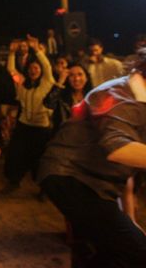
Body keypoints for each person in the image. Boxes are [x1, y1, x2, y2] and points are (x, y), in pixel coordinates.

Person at [38, 49, 146, 266]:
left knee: (109, 249)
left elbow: (126, 169)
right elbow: (118, 148)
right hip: (70, 176)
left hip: (92, 184)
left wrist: (129, 218)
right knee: (136, 252)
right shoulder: (124, 96)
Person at [4, 36, 55, 193]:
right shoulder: (21, 83)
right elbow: (11, 70)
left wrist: (38, 51)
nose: (34, 70)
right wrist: (12, 53)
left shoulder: (47, 83)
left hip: (41, 127)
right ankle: (14, 181)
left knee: (40, 159)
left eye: (37, 68)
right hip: (24, 125)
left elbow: (47, 67)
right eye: (31, 68)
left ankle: (43, 189)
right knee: (16, 154)